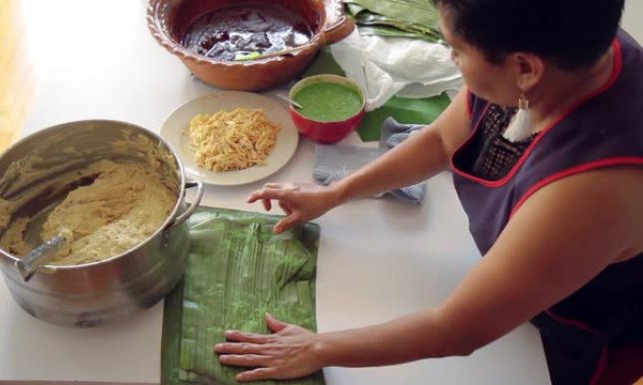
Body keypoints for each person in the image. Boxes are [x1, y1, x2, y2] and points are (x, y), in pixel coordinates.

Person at [214, 0, 643, 384]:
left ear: (525, 68)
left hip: (565, 334)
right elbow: (442, 141)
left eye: (455, 49)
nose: (451, 60)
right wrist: (335, 193)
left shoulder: (594, 191)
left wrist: (317, 348)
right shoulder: (559, 55)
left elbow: (458, 330)